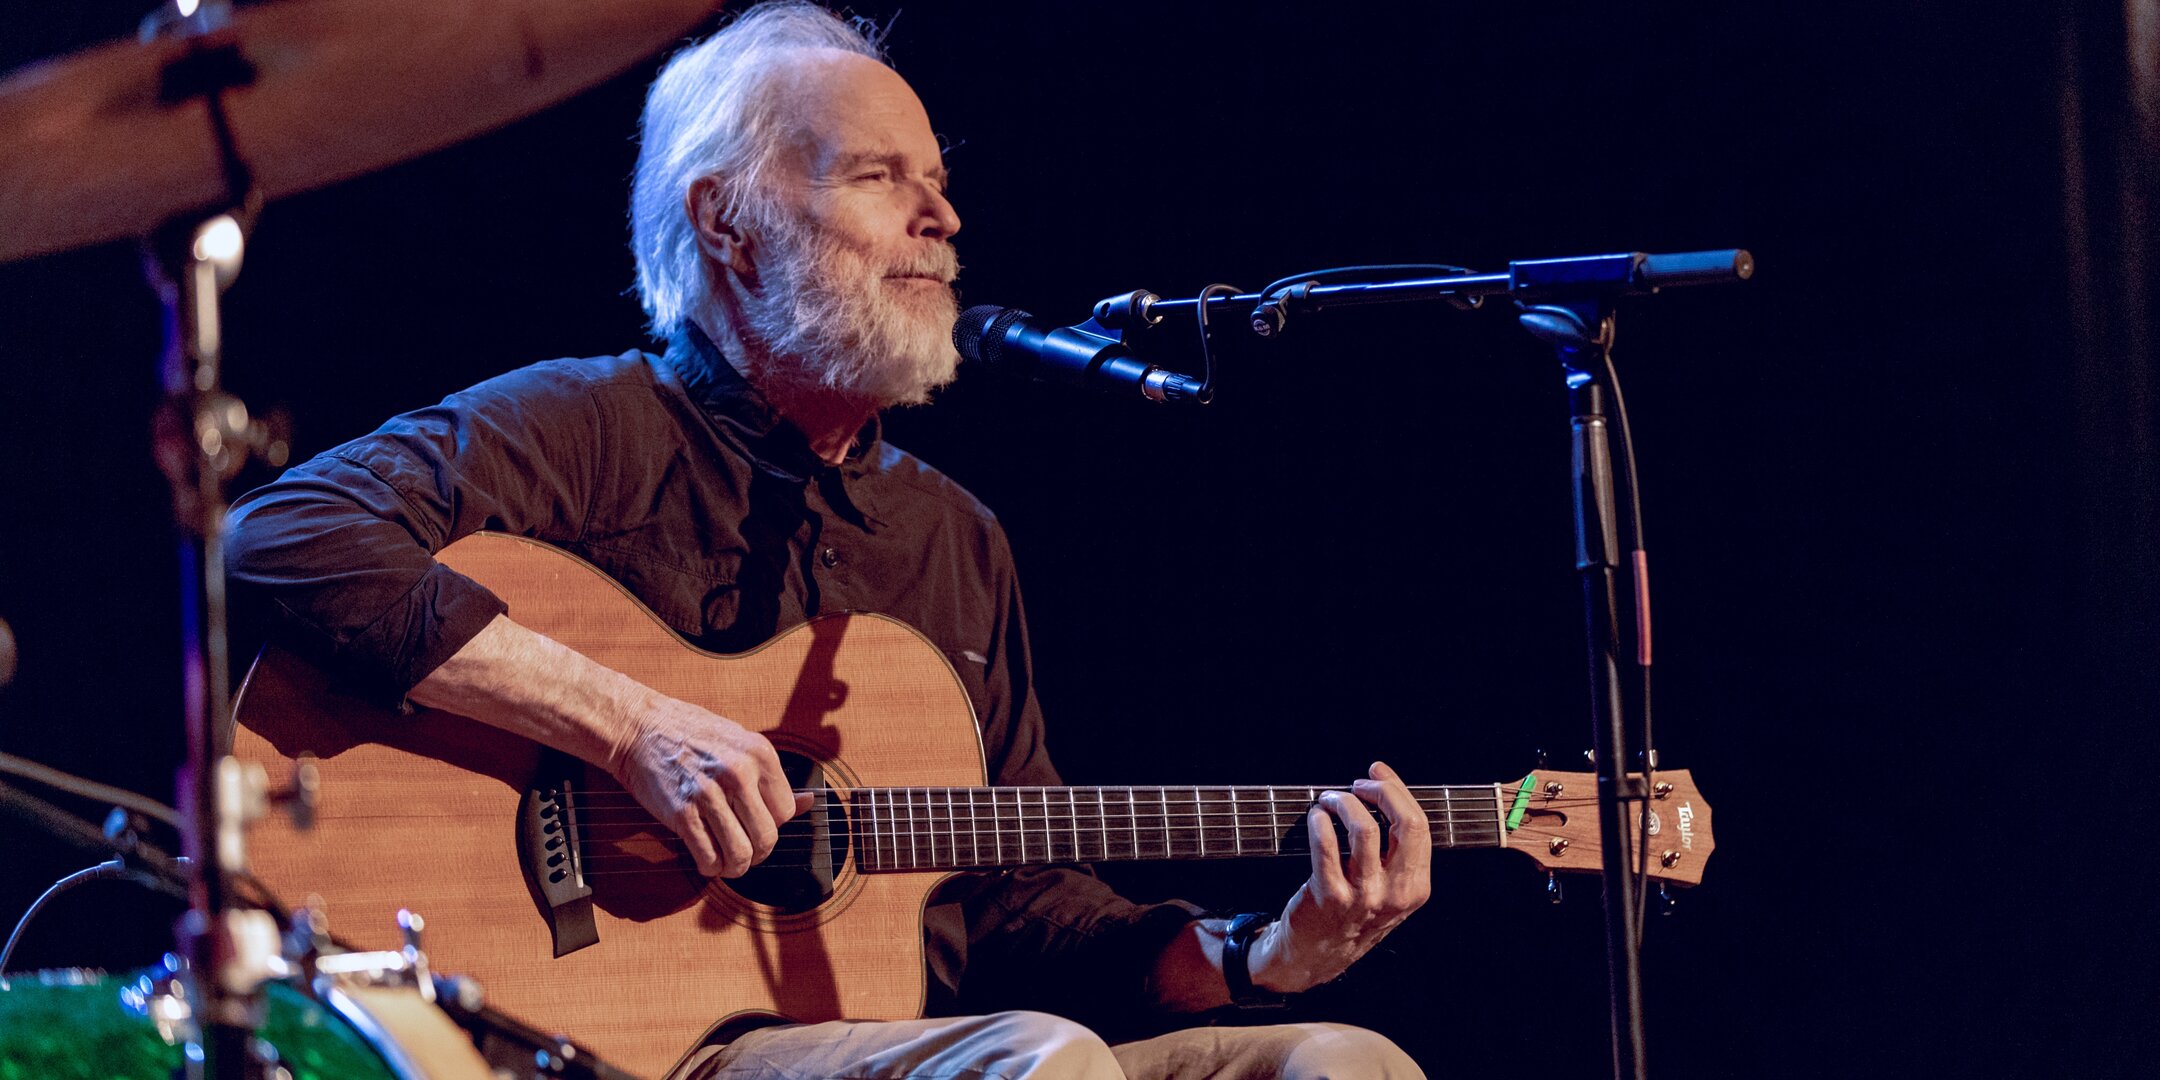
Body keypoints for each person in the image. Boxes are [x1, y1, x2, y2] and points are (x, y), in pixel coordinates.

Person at [226, 4, 1430, 1077]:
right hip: (620, 1037)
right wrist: (631, 725)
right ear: (730, 223)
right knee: (1041, 1063)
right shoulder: (587, 431)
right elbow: (284, 532)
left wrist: (1260, 953)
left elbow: (1021, 910)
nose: (942, 215)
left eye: (937, 180)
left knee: (1339, 1058)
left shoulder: (955, 539)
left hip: (895, 1039)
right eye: (877, 176)